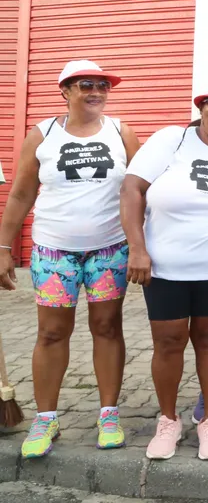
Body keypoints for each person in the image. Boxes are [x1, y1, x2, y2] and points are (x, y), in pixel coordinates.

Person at [0, 60, 138, 458]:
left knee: (107, 327)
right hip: (54, 249)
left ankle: (108, 414)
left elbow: (140, 189)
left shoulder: (121, 131)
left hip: (109, 248)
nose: (95, 91)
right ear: (65, 91)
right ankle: (46, 418)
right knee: (51, 333)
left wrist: (143, 244)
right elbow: (22, 194)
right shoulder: (42, 134)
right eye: (84, 85)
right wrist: (4, 247)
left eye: (101, 85)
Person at [121, 85, 208, 462]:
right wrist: (137, 248)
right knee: (169, 343)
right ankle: (168, 420)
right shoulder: (172, 140)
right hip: (166, 268)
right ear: (201, 107)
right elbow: (133, 189)